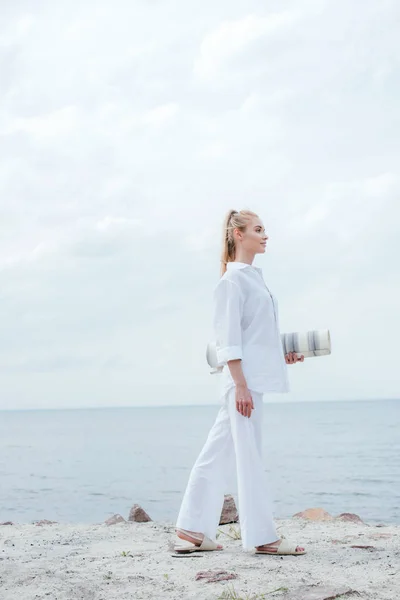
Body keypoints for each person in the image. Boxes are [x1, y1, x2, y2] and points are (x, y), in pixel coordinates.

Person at [173, 209, 306, 556]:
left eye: (265, 229)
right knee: (248, 456)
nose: (265, 235)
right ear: (238, 234)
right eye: (258, 229)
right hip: (243, 384)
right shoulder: (232, 281)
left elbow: (255, 338)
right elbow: (228, 339)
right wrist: (241, 385)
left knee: (218, 452)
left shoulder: (253, 278)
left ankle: (191, 529)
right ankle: (263, 537)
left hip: (251, 379)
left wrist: (283, 354)